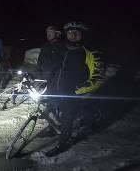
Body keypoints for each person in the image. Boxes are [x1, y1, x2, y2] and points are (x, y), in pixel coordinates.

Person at [45, 21, 106, 157]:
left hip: (72, 94)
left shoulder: (91, 53)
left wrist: (77, 91)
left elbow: (98, 77)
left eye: (76, 33)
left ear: (82, 35)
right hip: (55, 90)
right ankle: (51, 129)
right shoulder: (63, 49)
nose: (72, 35)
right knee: (49, 110)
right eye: (70, 32)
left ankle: (62, 144)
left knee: (67, 119)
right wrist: (48, 84)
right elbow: (56, 69)